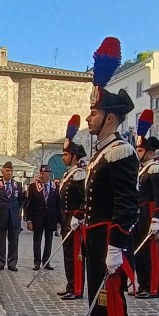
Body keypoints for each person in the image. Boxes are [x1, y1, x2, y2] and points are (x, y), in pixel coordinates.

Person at [80, 37, 138, 316]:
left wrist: (117, 245)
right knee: (97, 303)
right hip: (95, 236)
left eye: (94, 112)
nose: (89, 117)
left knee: (110, 303)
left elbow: (126, 203)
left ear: (110, 118)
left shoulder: (120, 152)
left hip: (108, 238)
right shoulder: (102, 152)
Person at [132, 113, 159, 299]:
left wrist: (156, 218)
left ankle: (152, 287)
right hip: (140, 213)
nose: (138, 153)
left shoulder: (156, 168)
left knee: (151, 252)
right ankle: (142, 284)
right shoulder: (142, 170)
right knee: (140, 251)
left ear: (149, 152)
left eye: (140, 150)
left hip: (150, 212)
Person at [57, 115, 86, 300]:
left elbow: (85, 199)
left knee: (75, 255)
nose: (63, 157)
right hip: (66, 218)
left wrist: (79, 216)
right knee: (68, 254)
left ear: (74, 156)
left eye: (66, 155)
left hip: (74, 219)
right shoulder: (70, 174)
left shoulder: (79, 174)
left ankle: (76, 289)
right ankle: (70, 285)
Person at [0, 162, 23, 271]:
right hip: (0, 217)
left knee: (14, 242)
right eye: (7, 170)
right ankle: (0, 262)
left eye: (11, 171)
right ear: (2, 172)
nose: (9, 173)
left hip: (13, 218)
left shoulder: (17, 185)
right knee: (0, 242)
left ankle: (12, 263)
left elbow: (20, 202)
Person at [24, 164, 60, 271]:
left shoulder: (55, 187)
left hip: (50, 218)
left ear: (50, 175)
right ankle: (37, 262)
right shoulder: (33, 187)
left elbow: (58, 205)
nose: (44, 176)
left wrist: (58, 221)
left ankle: (46, 262)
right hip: (37, 218)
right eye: (42, 174)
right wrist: (29, 220)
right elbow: (29, 205)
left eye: (46, 174)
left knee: (49, 241)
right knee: (37, 241)